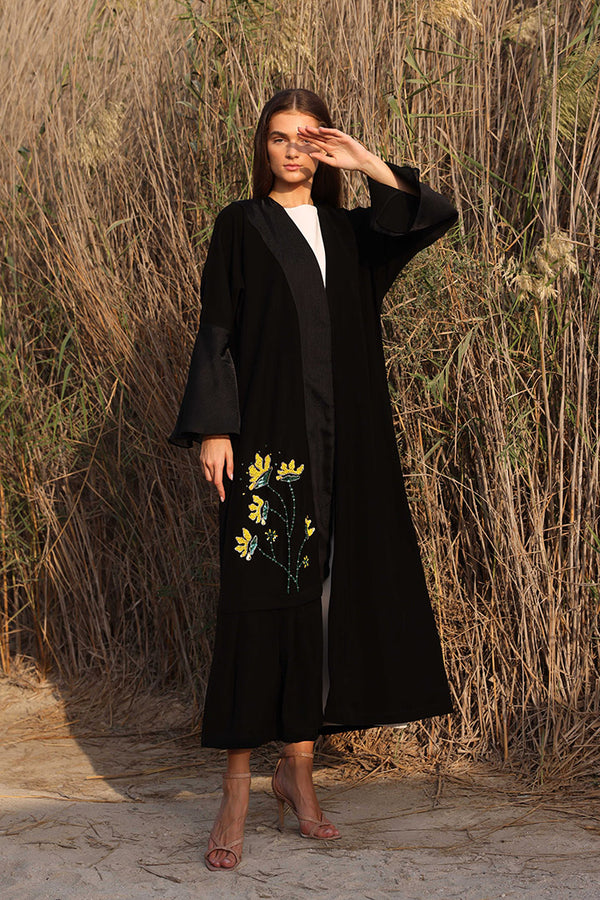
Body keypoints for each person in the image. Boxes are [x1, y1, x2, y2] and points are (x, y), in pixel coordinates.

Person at [169, 88, 458, 871]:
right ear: (261, 147)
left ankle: (296, 772)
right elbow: (218, 326)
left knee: (323, 600)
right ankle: (237, 786)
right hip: (271, 447)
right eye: (279, 137)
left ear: (324, 146)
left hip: (346, 446)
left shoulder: (348, 231)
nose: (293, 149)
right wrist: (216, 427)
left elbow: (431, 215)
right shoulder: (241, 224)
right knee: (258, 597)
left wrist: (363, 161)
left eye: (308, 137)